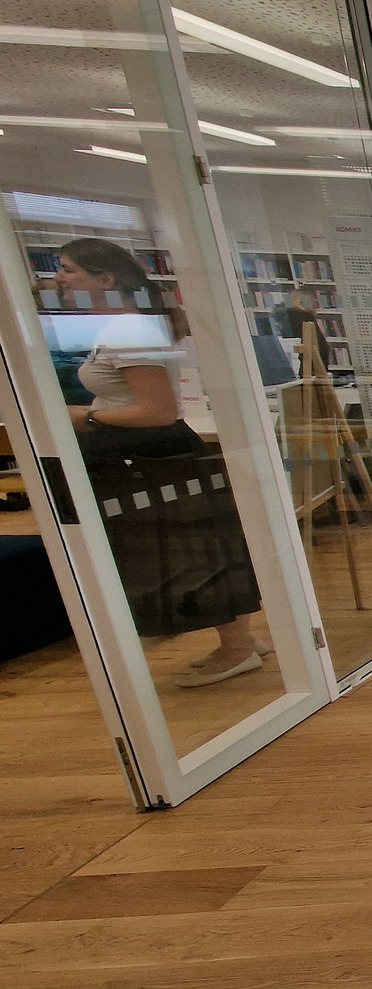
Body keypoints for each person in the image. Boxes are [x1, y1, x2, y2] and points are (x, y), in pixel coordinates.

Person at [53, 238, 266, 687]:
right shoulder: (122, 329)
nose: (60, 279)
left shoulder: (128, 333)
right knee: (194, 546)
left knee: (190, 549)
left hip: (151, 454)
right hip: (146, 453)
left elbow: (158, 410)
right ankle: (239, 640)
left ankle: (237, 647)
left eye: (69, 269)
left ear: (105, 280)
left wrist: (85, 416)